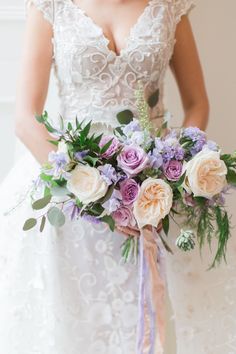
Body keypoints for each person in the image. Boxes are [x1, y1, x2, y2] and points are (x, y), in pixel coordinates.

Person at [2, 1, 228, 353]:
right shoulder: (51, 5)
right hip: (72, 197)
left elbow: (197, 103)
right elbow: (25, 119)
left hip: (154, 197)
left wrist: (175, 170)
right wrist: (89, 191)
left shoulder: (170, 6)